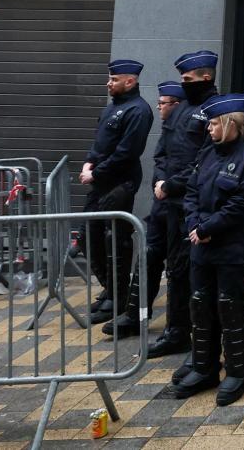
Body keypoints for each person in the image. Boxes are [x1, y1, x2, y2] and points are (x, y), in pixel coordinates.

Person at [168, 94, 244, 406]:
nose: (208, 129)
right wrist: (195, 225)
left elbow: (241, 204)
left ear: (230, 125)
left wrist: (208, 228)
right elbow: (192, 192)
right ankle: (204, 367)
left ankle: (237, 371)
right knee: (200, 304)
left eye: (213, 124)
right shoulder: (208, 153)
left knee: (230, 305)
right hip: (202, 245)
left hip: (230, 246)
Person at [151, 50, 220, 363]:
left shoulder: (214, 110)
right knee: (176, 271)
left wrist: (171, 185)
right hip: (171, 204)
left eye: (188, 79)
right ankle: (176, 331)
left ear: (206, 77)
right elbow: (163, 152)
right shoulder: (180, 110)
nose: (184, 83)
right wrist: (161, 183)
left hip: (195, 204)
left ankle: (204, 333)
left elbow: (204, 158)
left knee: (200, 274)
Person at [103, 81, 183, 338]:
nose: (159, 108)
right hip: (162, 203)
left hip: (181, 204)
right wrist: (160, 182)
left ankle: (177, 327)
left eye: (163, 104)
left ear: (176, 105)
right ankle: (135, 314)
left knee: (178, 268)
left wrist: (170, 185)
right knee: (148, 256)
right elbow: (159, 158)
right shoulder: (169, 129)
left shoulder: (191, 126)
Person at [82, 59, 153, 326]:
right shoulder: (114, 108)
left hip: (119, 183)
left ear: (130, 81)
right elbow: (100, 142)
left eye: (113, 80)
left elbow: (127, 153)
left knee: (115, 241)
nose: (108, 84)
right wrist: (90, 162)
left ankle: (118, 296)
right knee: (90, 236)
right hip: (101, 182)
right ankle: (110, 289)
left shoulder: (138, 111)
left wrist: (96, 172)